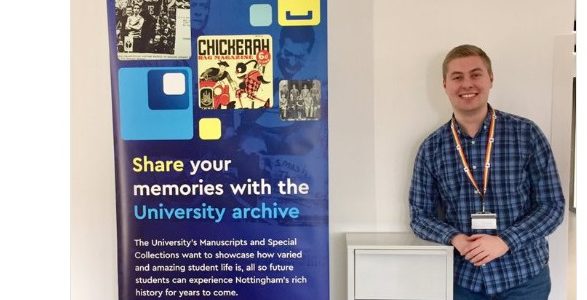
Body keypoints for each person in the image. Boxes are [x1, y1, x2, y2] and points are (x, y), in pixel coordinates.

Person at [409, 44, 564, 300]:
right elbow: (419, 216)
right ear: (445, 85)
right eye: (457, 77)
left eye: (476, 74)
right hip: (462, 281)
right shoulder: (431, 148)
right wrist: (455, 238)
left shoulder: (526, 134)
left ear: (490, 79)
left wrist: (505, 241)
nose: (467, 84)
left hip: (524, 278)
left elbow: (552, 206)